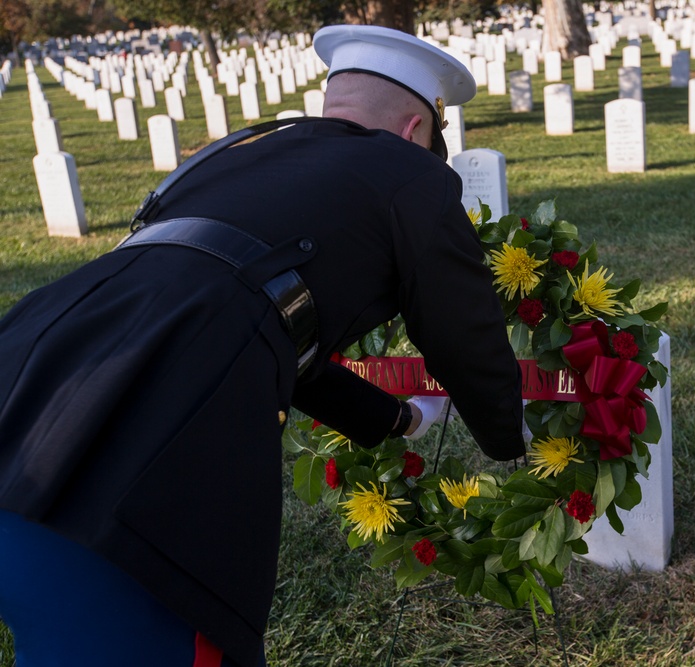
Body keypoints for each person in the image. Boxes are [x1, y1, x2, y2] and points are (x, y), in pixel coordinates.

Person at [0, 24, 525, 667]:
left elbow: (261, 316)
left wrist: (398, 418)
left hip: (29, 370)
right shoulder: (411, 171)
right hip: (130, 448)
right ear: (418, 130)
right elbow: (460, 329)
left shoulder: (235, 155)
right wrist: (508, 437)